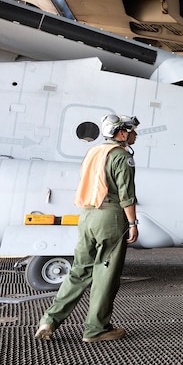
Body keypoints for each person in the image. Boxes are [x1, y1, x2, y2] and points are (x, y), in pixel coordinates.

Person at [35, 114, 140, 342]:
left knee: (79, 270)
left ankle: (49, 320)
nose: (135, 134)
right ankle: (97, 329)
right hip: (109, 218)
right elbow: (126, 196)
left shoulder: (93, 152)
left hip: (87, 216)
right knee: (106, 275)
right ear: (121, 133)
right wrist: (132, 223)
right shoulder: (121, 157)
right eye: (131, 130)